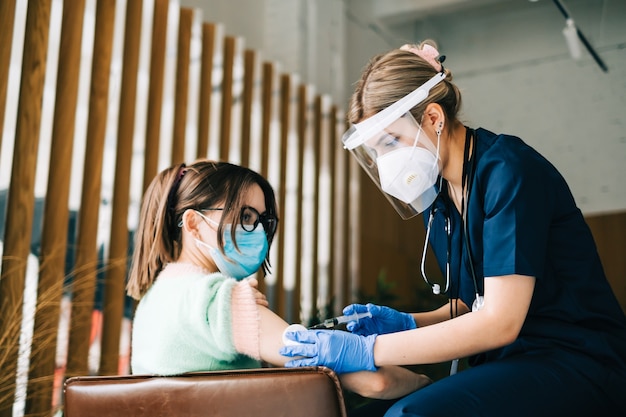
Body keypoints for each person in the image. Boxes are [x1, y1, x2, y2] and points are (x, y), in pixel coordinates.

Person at [280, 41, 626, 416]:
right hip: (507, 363)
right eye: (375, 151)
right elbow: (473, 301)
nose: (385, 163)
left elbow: (500, 322)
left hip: (575, 361)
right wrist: (407, 324)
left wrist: (369, 349)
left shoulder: (508, 173)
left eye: (390, 142)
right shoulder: (440, 197)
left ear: (433, 118)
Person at [126, 159, 432, 400]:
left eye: (261, 220)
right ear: (193, 223)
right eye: (245, 217)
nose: (257, 231)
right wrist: (427, 382)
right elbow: (375, 383)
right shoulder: (217, 299)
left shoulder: (154, 299)